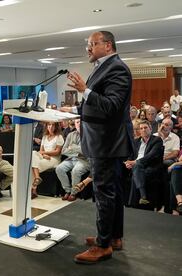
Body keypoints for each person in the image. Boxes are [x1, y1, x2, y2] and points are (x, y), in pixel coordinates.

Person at [65, 31, 134, 264]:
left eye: (93, 44)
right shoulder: (102, 66)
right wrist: (76, 110)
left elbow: (112, 105)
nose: (88, 48)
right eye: (88, 44)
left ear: (108, 45)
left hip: (106, 142)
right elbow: (96, 104)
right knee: (111, 191)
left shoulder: (117, 68)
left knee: (104, 193)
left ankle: (103, 246)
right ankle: (113, 237)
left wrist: (85, 90)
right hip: (101, 139)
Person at [124, 120, 164, 205]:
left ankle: (133, 203)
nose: (143, 130)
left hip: (150, 166)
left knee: (136, 169)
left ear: (150, 129)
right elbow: (130, 155)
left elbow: (150, 156)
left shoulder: (157, 140)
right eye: (141, 128)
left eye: (145, 127)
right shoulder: (136, 141)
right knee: (118, 168)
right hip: (136, 166)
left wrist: (135, 162)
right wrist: (127, 163)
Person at [55, 119, 90, 202]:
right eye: (77, 122)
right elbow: (63, 151)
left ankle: (73, 193)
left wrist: (72, 147)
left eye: (81, 122)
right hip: (71, 159)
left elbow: (86, 151)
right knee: (59, 168)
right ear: (75, 123)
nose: (79, 124)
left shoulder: (89, 134)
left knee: (75, 171)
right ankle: (67, 190)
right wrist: (77, 152)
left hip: (84, 160)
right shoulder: (70, 135)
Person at [30, 122, 64, 199]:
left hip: (54, 159)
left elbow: (57, 152)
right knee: (33, 153)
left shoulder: (59, 137)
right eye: (49, 125)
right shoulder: (45, 137)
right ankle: (37, 177)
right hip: (44, 156)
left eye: (52, 125)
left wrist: (44, 153)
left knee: (33, 166)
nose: (50, 127)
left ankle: (34, 190)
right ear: (46, 126)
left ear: (56, 126)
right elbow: (41, 150)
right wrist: (44, 154)